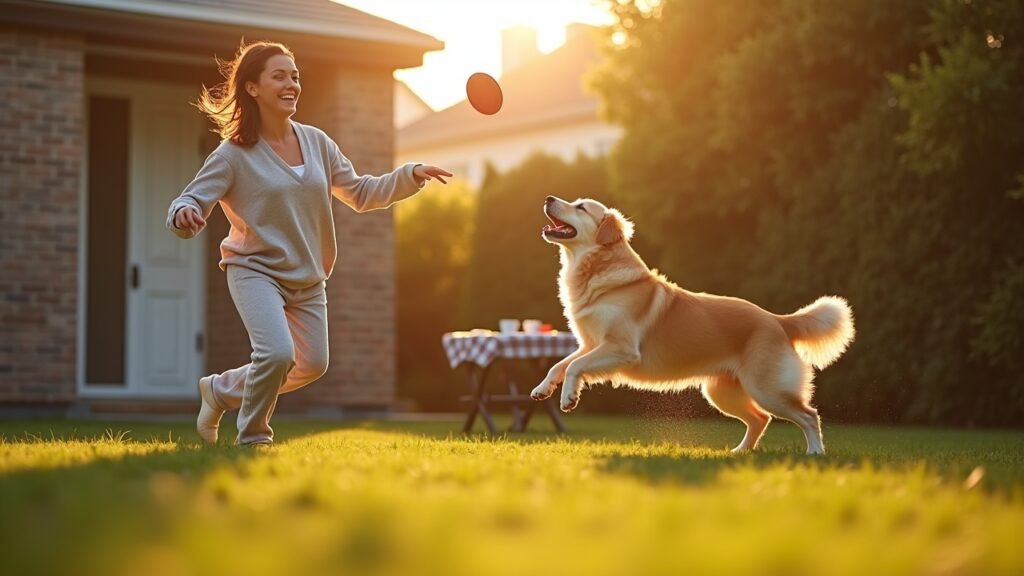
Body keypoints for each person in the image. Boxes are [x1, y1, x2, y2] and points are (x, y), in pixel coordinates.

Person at [166, 41, 451, 445]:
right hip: (255, 271)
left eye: (295, 76)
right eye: (279, 76)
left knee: (311, 363)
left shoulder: (317, 142)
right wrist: (183, 215)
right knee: (277, 355)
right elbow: (191, 199)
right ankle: (253, 438)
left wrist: (411, 174)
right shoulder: (233, 154)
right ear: (252, 88)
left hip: (308, 276)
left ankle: (219, 391)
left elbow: (361, 192)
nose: (291, 84)